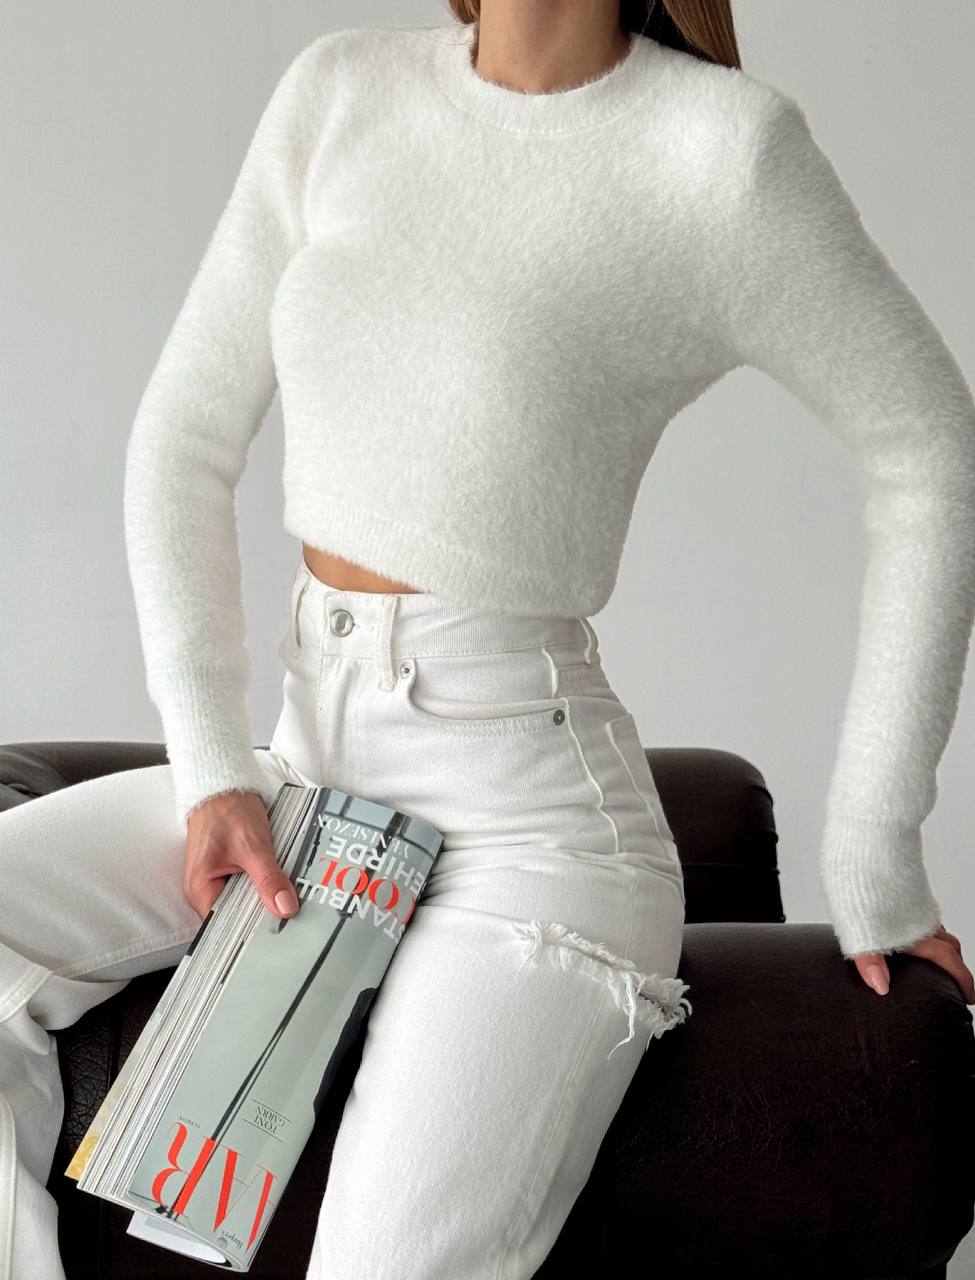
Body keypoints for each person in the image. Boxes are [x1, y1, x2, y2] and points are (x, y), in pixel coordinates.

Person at [3, 1, 975, 1276]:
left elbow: (931, 451)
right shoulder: (342, 92)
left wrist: (877, 851)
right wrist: (211, 767)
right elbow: (183, 433)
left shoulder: (723, 155)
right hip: (302, 778)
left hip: (535, 834)